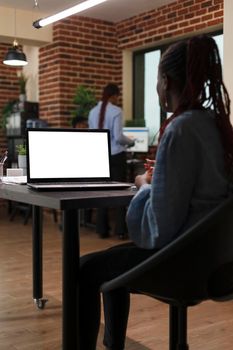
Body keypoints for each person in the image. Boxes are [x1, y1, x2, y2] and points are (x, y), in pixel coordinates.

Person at [80, 35, 233, 350]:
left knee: (86, 268)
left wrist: (144, 186)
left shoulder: (180, 129)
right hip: (218, 263)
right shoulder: (216, 125)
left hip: (182, 265)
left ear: (164, 81)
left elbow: (156, 231)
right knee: (110, 262)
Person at [88, 83, 135, 239]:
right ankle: (120, 230)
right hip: (116, 156)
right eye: (117, 97)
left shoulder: (92, 112)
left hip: (99, 157)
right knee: (119, 193)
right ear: (114, 96)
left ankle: (102, 230)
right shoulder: (116, 111)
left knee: (102, 193)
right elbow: (118, 137)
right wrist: (131, 142)